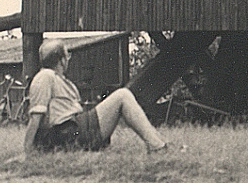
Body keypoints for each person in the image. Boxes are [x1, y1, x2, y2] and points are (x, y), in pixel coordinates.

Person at [24, 39, 168, 155]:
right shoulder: (44, 76)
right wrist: (27, 151)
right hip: (66, 133)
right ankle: (158, 147)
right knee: (122, 96)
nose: (68, 60)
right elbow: (36, 116)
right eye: (67, 55)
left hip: (72, 130)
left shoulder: (57, 78)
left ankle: (158, 142)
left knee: (121, 97)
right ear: (61, 60)